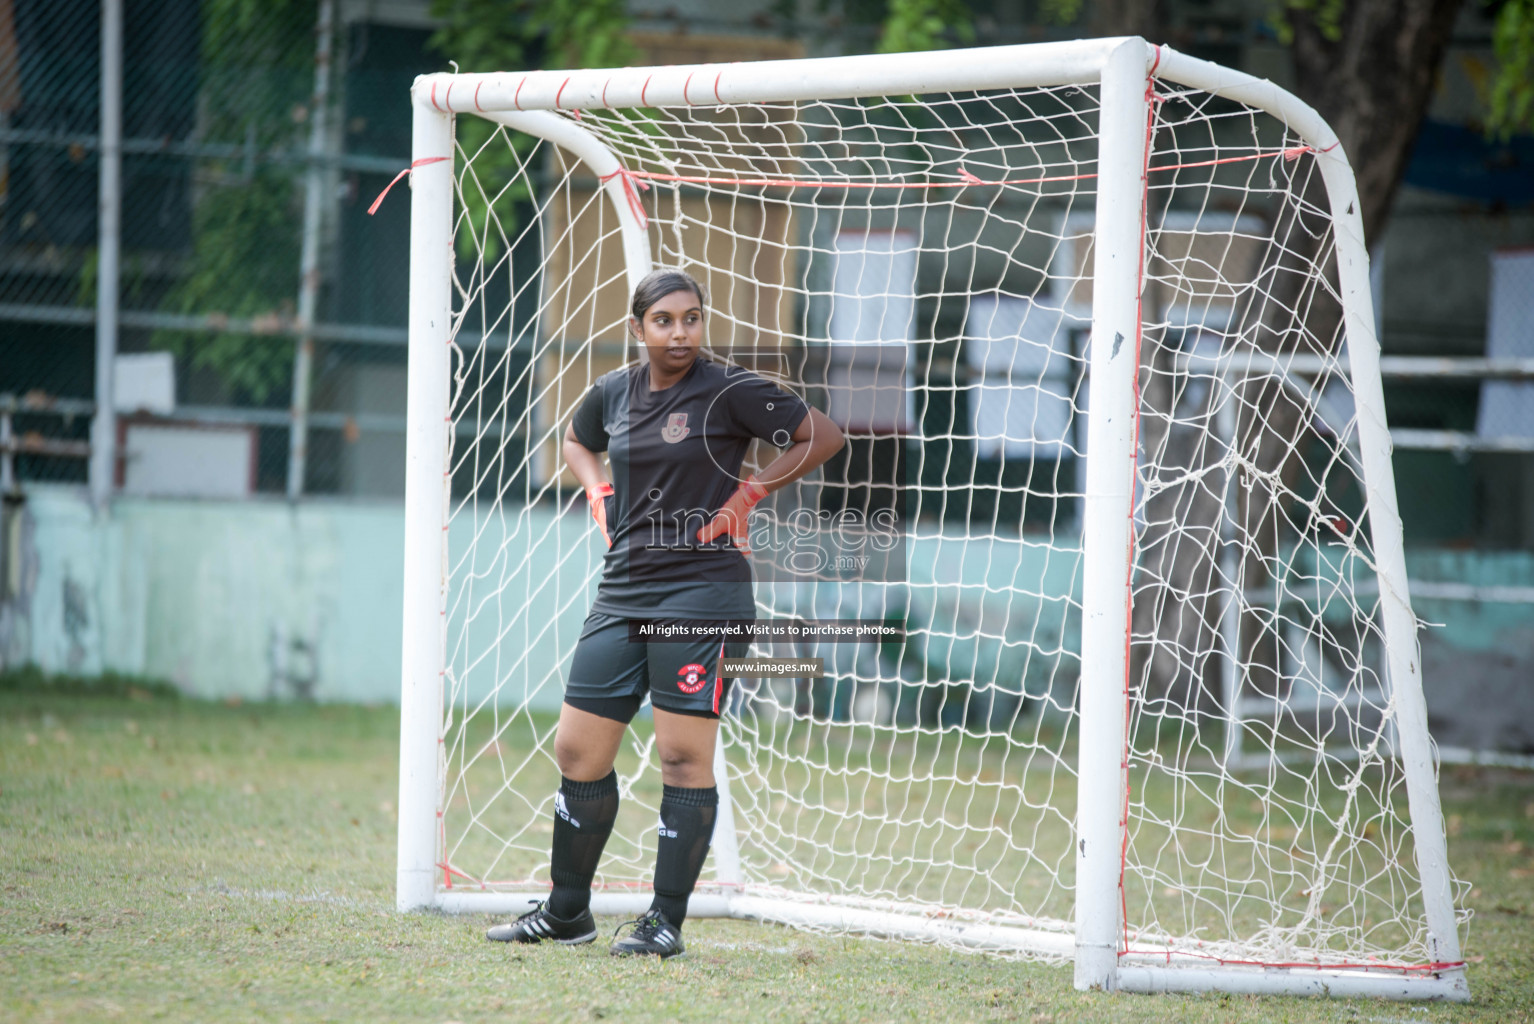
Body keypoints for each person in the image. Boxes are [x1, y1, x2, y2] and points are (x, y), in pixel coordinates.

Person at [486, 268, 845, 958]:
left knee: (682, 756)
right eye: (663, 321)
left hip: (704, 594)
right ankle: (567, 915)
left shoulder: (731, 390)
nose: (679, 332)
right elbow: (574, 439)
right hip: (623, 589)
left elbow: (820, 436)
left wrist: (746, 497)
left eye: (690, 318)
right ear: (637, 328)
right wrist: (596, 493)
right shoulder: (613, 391)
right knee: (576, 748)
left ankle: (665, 922)